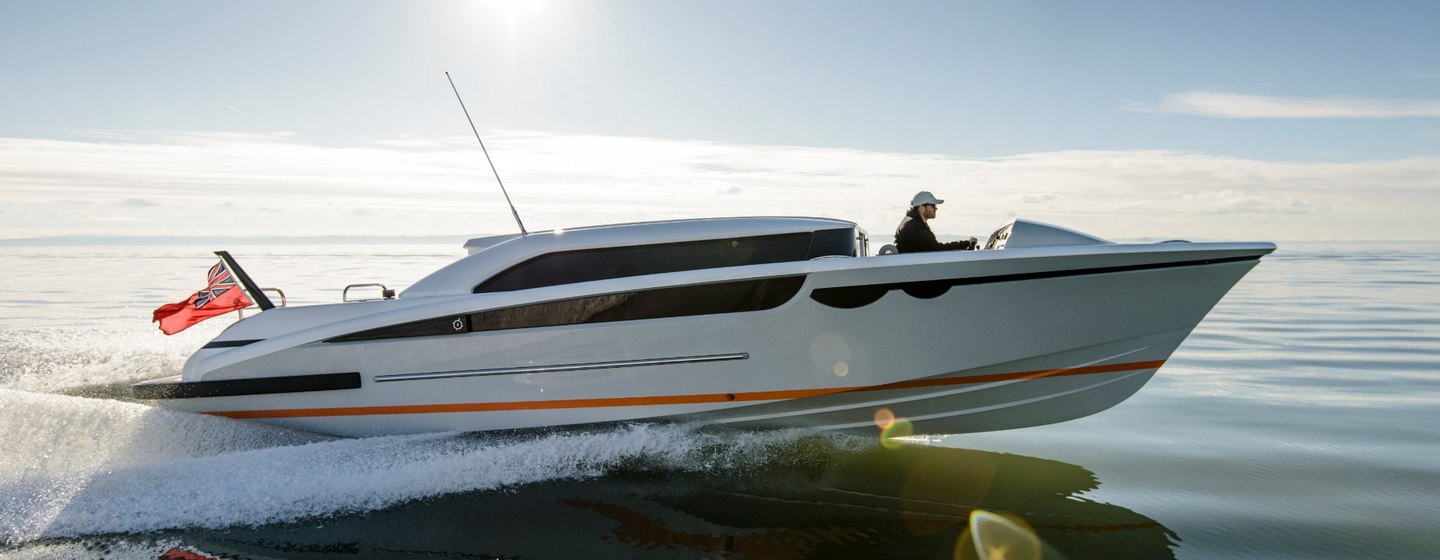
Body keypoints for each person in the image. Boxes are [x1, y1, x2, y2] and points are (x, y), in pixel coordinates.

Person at [894, 191, 977, 253]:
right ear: (921, 207)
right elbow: (936, 249)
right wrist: (966, 243)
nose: (936, 208)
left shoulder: (913, 223)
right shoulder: (914, 228)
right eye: (933, 205)